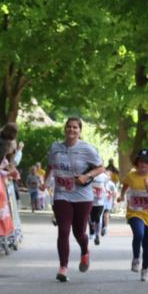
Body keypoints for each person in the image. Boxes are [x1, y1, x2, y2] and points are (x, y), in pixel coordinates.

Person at [46, 117, 103, 282]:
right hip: (62, 194)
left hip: (82, 196)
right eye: (69, 127)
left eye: (75, 128)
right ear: (65, 129)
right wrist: (45, 181)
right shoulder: (56, 147)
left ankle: (85, 251)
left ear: (80, 131)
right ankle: (63, 267)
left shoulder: (87, 149)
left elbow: (101, 167)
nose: (71, 130)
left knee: (79, 232)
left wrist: (87, 176)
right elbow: (50, 165)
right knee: (63, 230)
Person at [119, 149, 148, 282]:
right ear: (137, 163)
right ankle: (136, 258)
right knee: (139, 234)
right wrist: (122, 195)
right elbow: (125, 185)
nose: (143, 164)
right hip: (134, 212)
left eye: (146, 162)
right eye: (141, 162)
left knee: (147, 244)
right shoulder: (131, 176)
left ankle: (145, 270)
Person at [89, 170, 111, 245]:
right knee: (92, 219)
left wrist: (108, 192)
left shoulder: (104, 177)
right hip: (90, 201)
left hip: (100, 201)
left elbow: (107, 186)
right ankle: (93, 229)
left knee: (98, 217)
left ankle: (97, 236)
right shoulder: (89, 175)